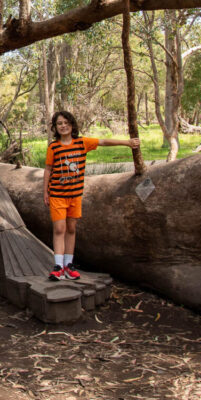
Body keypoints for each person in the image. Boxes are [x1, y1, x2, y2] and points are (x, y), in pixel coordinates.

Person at [43, 111, 139, 280]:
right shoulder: (54, 147)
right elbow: (48, 169)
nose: (63, 126)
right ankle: (58, 266)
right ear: (55, 127)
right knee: (59, 228)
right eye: (59, 123)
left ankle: (68, 265)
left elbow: (103, 141)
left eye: (66, 122)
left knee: (71, 228)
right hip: (58, 194)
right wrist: (45, 192)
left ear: (72, 125)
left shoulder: (82, 143)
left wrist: (127, 143)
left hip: (75, 195)